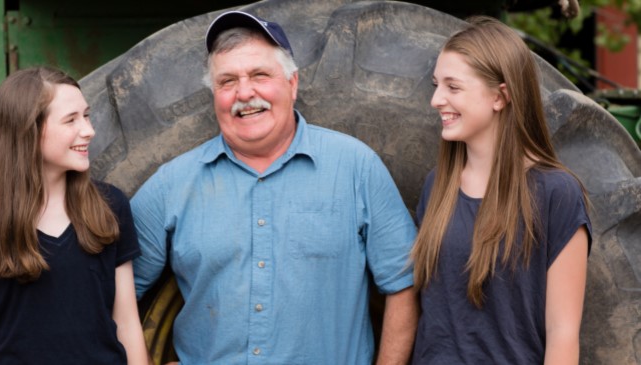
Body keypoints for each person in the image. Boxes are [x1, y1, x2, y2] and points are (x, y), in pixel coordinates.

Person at [130, 10, 418, 365]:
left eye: (259, 75)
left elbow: (403, 285)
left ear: (292, 84)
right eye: (227, 82)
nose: (245, 93)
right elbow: (112, 297)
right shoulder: (170, 186)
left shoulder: (356, 167)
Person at [410, 17, 592, 364]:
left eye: (453, 86)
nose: (435, 99)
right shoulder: (438, 185)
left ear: (499, 96)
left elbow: (563, 336)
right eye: (436, 84)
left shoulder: (557, 194)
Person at [0, 67, 149, 365]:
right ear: (28, 130)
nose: (88, 130)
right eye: (71, 120)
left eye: (87, 115)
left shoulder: (111, 206)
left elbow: (127, 322)